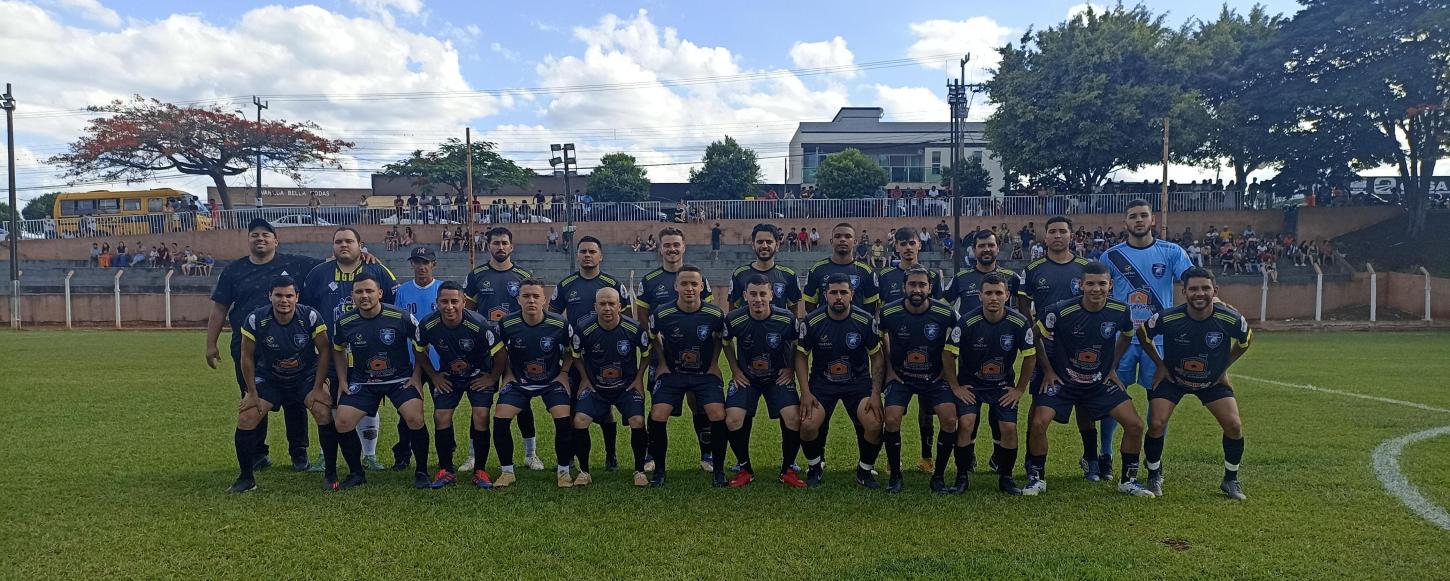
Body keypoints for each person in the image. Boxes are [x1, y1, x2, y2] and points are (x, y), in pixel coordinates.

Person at [1026, 262, 1153, 497]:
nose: (1096, 289)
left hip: (1098, 382)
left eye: (1102, 284)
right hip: (1063, 382)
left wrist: (1112, 367)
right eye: (1091, 284)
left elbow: (1126, 335)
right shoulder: (1060, 310)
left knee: (1135, 425)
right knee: (1038, 422)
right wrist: (1049, 371)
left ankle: (1128, 481)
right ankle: (1036, 478)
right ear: (1081, 285)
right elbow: (1034, 336)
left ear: (1110, 285)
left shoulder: (1121, 310)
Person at [206, 219, 323, 472]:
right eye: (255, 235)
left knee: (295, 398)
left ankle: (299, 452)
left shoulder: (295, 264)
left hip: (290, 343)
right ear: (248, 240)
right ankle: (258, 452)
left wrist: (365, 255)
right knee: (252, 395)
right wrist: (211, 344)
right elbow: (219, 309)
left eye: (266, 235)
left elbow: (332, 264)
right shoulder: (234, 271)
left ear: (275, 241)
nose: (260, 239)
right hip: (248, 344)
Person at [1097, 199, 1192, 481]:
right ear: (1124, 222)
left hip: (1159, 342)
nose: (1138, 220)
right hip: (1121, 341)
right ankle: (1105, 455)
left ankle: (1154, 462)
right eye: (1132, 216)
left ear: (1153, 220)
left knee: (1158, 405)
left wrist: (1218, 300)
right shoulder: (1110, 257)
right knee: (1111, 399)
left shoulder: (1172, 252)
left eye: (1143, 216)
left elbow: (1193, 281)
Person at [1138, 268, 1253, 500]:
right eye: (1193, 289)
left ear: (1215, 291)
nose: (1199, 293)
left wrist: (1223, 368)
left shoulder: (1230, 318)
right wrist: (1160, 365)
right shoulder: (1168, 317)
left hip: (1211, 381)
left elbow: (1245, 340)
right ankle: (1153, 474)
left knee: (1234, 425)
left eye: (1205, 288)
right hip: (1174, 379)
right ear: (1184, 292)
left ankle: (1231, 480)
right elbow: (1143, 334)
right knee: (1157, 423)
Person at [301, 227, 402, 472]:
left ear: (361, 245)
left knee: (369, 403)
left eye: (349, 241)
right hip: (332, 353)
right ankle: (327, 453)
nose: (343, 245)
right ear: (332, 246)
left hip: (371, 352)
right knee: (333, 402)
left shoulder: (378, 270)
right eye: (338, 241)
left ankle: (369, 454)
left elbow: (393, 308)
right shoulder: (318, 273)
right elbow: (306, 311)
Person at [327, 273, 431, 490]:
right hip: (363, 381)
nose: (364, 296)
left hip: (399, 379)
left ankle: (421, 471)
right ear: (352, 296)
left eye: (369, 291)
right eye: (359, 292)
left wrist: (416, 376)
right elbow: (337, 350)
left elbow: (421, 345)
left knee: (414, 418)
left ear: (380, 294)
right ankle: (356, 473)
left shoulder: (401, 316)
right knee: (343, 422)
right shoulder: (344, 322)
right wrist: (343, 380)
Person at [229, 276, 331, 493]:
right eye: (278, 295)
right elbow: (246, 356)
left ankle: (330, 473)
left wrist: (319, 387)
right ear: (270, 296)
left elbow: (324, 352)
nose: (283, 300)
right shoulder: (256, 319)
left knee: (323, 411)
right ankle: (246, 478)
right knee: (247, 416)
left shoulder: (310, 316)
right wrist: (251, 392)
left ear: (297, 297)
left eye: (288, 295)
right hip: (270, 377)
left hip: (304, 376)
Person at [1018, 216, 1099, 478]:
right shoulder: (1034, 269)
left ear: (1072, 236)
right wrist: (1034, 334)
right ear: (1045, 237)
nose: (1057, 236)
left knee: (1084, 403)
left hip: (1080, 347)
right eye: (1052, 231)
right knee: (1039, 400)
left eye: (1062, 231)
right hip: (1047, 347)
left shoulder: (1086, 268)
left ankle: (1090, 459)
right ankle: (1032, 461)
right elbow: (1023, 307)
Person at [943, 273, 1036, 495]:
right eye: (988, 293)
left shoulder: (1019, 322)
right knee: (965, 424)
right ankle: (962, 476)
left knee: (1009, 428)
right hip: (971, 385)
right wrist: (956, 387)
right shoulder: (966, 321)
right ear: (980, 296)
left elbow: (1030, 356)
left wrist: (1020, 389)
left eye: (998, 293)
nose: (993, 298)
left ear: (1007, 296)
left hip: (1002, 386)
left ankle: (1006, 477)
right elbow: (948, 355)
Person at [635, 227, 715, 473]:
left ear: (684, 246)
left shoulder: (699, 278)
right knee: (658, 403)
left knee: (698, 403)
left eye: (676, 245)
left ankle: (707, 453)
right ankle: (651, 453)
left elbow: (709, 318)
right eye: (667, 245)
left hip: (696, 354)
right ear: (660, 248)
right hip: (662, 355)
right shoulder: (649, 281)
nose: (672, 249)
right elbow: (642, 316)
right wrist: (655, 348)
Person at [795, 273, 885, 489]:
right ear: (825, 295)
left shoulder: (865, 320)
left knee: (874, 424)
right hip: (823, 383)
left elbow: (877, 357)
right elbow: (800, 355)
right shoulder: (812, 321)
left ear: (851, 295)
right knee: (807, 424)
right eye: (833, 292)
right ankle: (815, 466)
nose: (838, 297)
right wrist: (806, 393)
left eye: (843, 292)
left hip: (857, 383)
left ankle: (864, 470)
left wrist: (875, 394)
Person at [462, 227, 541, 472]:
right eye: (495, 243)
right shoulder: (476, 275)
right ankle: (473, 456)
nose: (500, 247)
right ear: (488, 246)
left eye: (504, 243)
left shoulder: (522, 275)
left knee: (523, 402)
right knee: (480, 404)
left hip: (515, 347)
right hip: (483, 349)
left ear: (511, 246)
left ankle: (531, 454)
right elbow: (470, 311)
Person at [945, 228, 1025, 471]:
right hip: (970, 354)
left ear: (997, 248)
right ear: (974, 250)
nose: (987, 249)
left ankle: (999, 460)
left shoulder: (1011, 277)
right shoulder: (961, 277)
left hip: (1002, 352)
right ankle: (967, 461)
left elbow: (1021, 310)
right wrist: (955, 329)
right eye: (982, 246)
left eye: (991, 245)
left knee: (999, 417)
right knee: (970, 415)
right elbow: (943, 305)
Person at [416, 281, 506, 489]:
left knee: (481, 416)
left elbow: (501, 353)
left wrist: (492, 378)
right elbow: (420, 350)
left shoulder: (480, 324)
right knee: (440, 416)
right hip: (450, 376)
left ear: (463, 302)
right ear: (436, 303)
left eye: (454, 301)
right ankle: (446, 470)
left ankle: (480, 471)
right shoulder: (428, 324)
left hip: (478, 375)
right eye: (444, 301)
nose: (449, 307)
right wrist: (434, 376)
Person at [553, 236, 633, 471]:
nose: (587, 255)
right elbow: (555, 318)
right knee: (572, 406)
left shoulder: (613, 284)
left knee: (606, 409)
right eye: (583, 251)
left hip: (608, 357)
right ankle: (570, 456)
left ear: (601, 255)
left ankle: (611, 455)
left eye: (592, 251)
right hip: (576, 355)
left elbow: (625, 320)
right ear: (577, 255)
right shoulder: (566, 284)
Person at [645, 266, 729, 487]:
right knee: (658, 413)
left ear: (702, 286)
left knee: (717, 413)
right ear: (676, 286)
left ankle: (718, 470)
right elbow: (653, 337)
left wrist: (714, 364)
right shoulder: (662, 313)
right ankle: (660, 471)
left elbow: (721, 338)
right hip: (674, 374)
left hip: (704, 374)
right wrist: (662, 363)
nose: (689, 288)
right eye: (684, 284)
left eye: (694, 284)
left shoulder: (715, 314)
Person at [721, 274, 807, 488]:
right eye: (753, 294)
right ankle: (745, 469)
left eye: (762, 294)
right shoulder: (734, 319)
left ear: (771, 295)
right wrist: (734, 369)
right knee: (732, 419)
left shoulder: (786, 318)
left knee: (793, 418)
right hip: (747, 378)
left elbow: (797, 344)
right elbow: (725, 343)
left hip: (777, 377)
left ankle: (787, 470)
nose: (758, 299)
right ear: (744, 296)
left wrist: (790, 368)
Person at [878, 266, 958, 493]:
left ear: (930, 288)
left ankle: (939, 477)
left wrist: (946, 368)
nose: (917, 289)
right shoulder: (889, 312)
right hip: (902, 377)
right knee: (891, 419)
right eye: (912, 284)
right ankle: (895, 475)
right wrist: (890, 369)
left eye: (922, 285)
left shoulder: (945, 312)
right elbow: (880, 337)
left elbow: (959, 339)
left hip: (934, 377)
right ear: (904, 287)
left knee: (950, 419)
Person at [494, 279, 576, 488]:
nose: (531, 300)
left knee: (563, 419)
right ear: (518, 299)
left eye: (536, 296)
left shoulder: (559, 323)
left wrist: (564, 373)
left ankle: (563, 472)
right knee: (501, 419)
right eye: (526, 296)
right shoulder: (506, 324)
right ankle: (507, 472)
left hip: (551, 380)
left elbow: (572, 351)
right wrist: (508, 374)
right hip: (520, 381)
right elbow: (500, 351)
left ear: (544, 300)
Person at [875, 228, 945, 474]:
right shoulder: (885, 276)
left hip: (929, 357)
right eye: (902, 243)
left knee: (927, 412)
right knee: (894, 412)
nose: (907, 247)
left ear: (919, 245)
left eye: (911, 243)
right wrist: (889, 365)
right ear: (895, 247)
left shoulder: (932, 275)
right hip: (898, 358)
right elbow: (881, 322)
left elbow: (939, 315)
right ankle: (893, 462)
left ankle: (926, 458)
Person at [569, 287, 652, 487]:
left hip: (626, 387)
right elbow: (576, 355)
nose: (607, 308)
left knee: (638, 420)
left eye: (611, 304)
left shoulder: (634, 328)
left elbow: (647, 353)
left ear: (619, 306)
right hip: (596, 387)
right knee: (579, 419)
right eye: (602, 304)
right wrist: (585, 379)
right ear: (595, 307)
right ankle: (584, 471)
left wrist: (639, 378)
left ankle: (639, 470)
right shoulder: (584, 328)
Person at [803, 223, 880, 313]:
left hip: (856, 326)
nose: (842, 239)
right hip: (825, 326)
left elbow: (870, 307)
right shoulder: (817, 269)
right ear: (831, 241)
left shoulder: (866, 271)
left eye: (848, 236)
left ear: (855, 242)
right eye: (838, 236)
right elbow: (809, 303)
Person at [728, 223, 803, 313]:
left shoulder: (789, 275)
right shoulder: (739, 274)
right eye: (760, 242)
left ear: (777, 244)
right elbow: (732, 313)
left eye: (769, 242)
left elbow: (793, 315)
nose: (764, 246)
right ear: (753, 245)